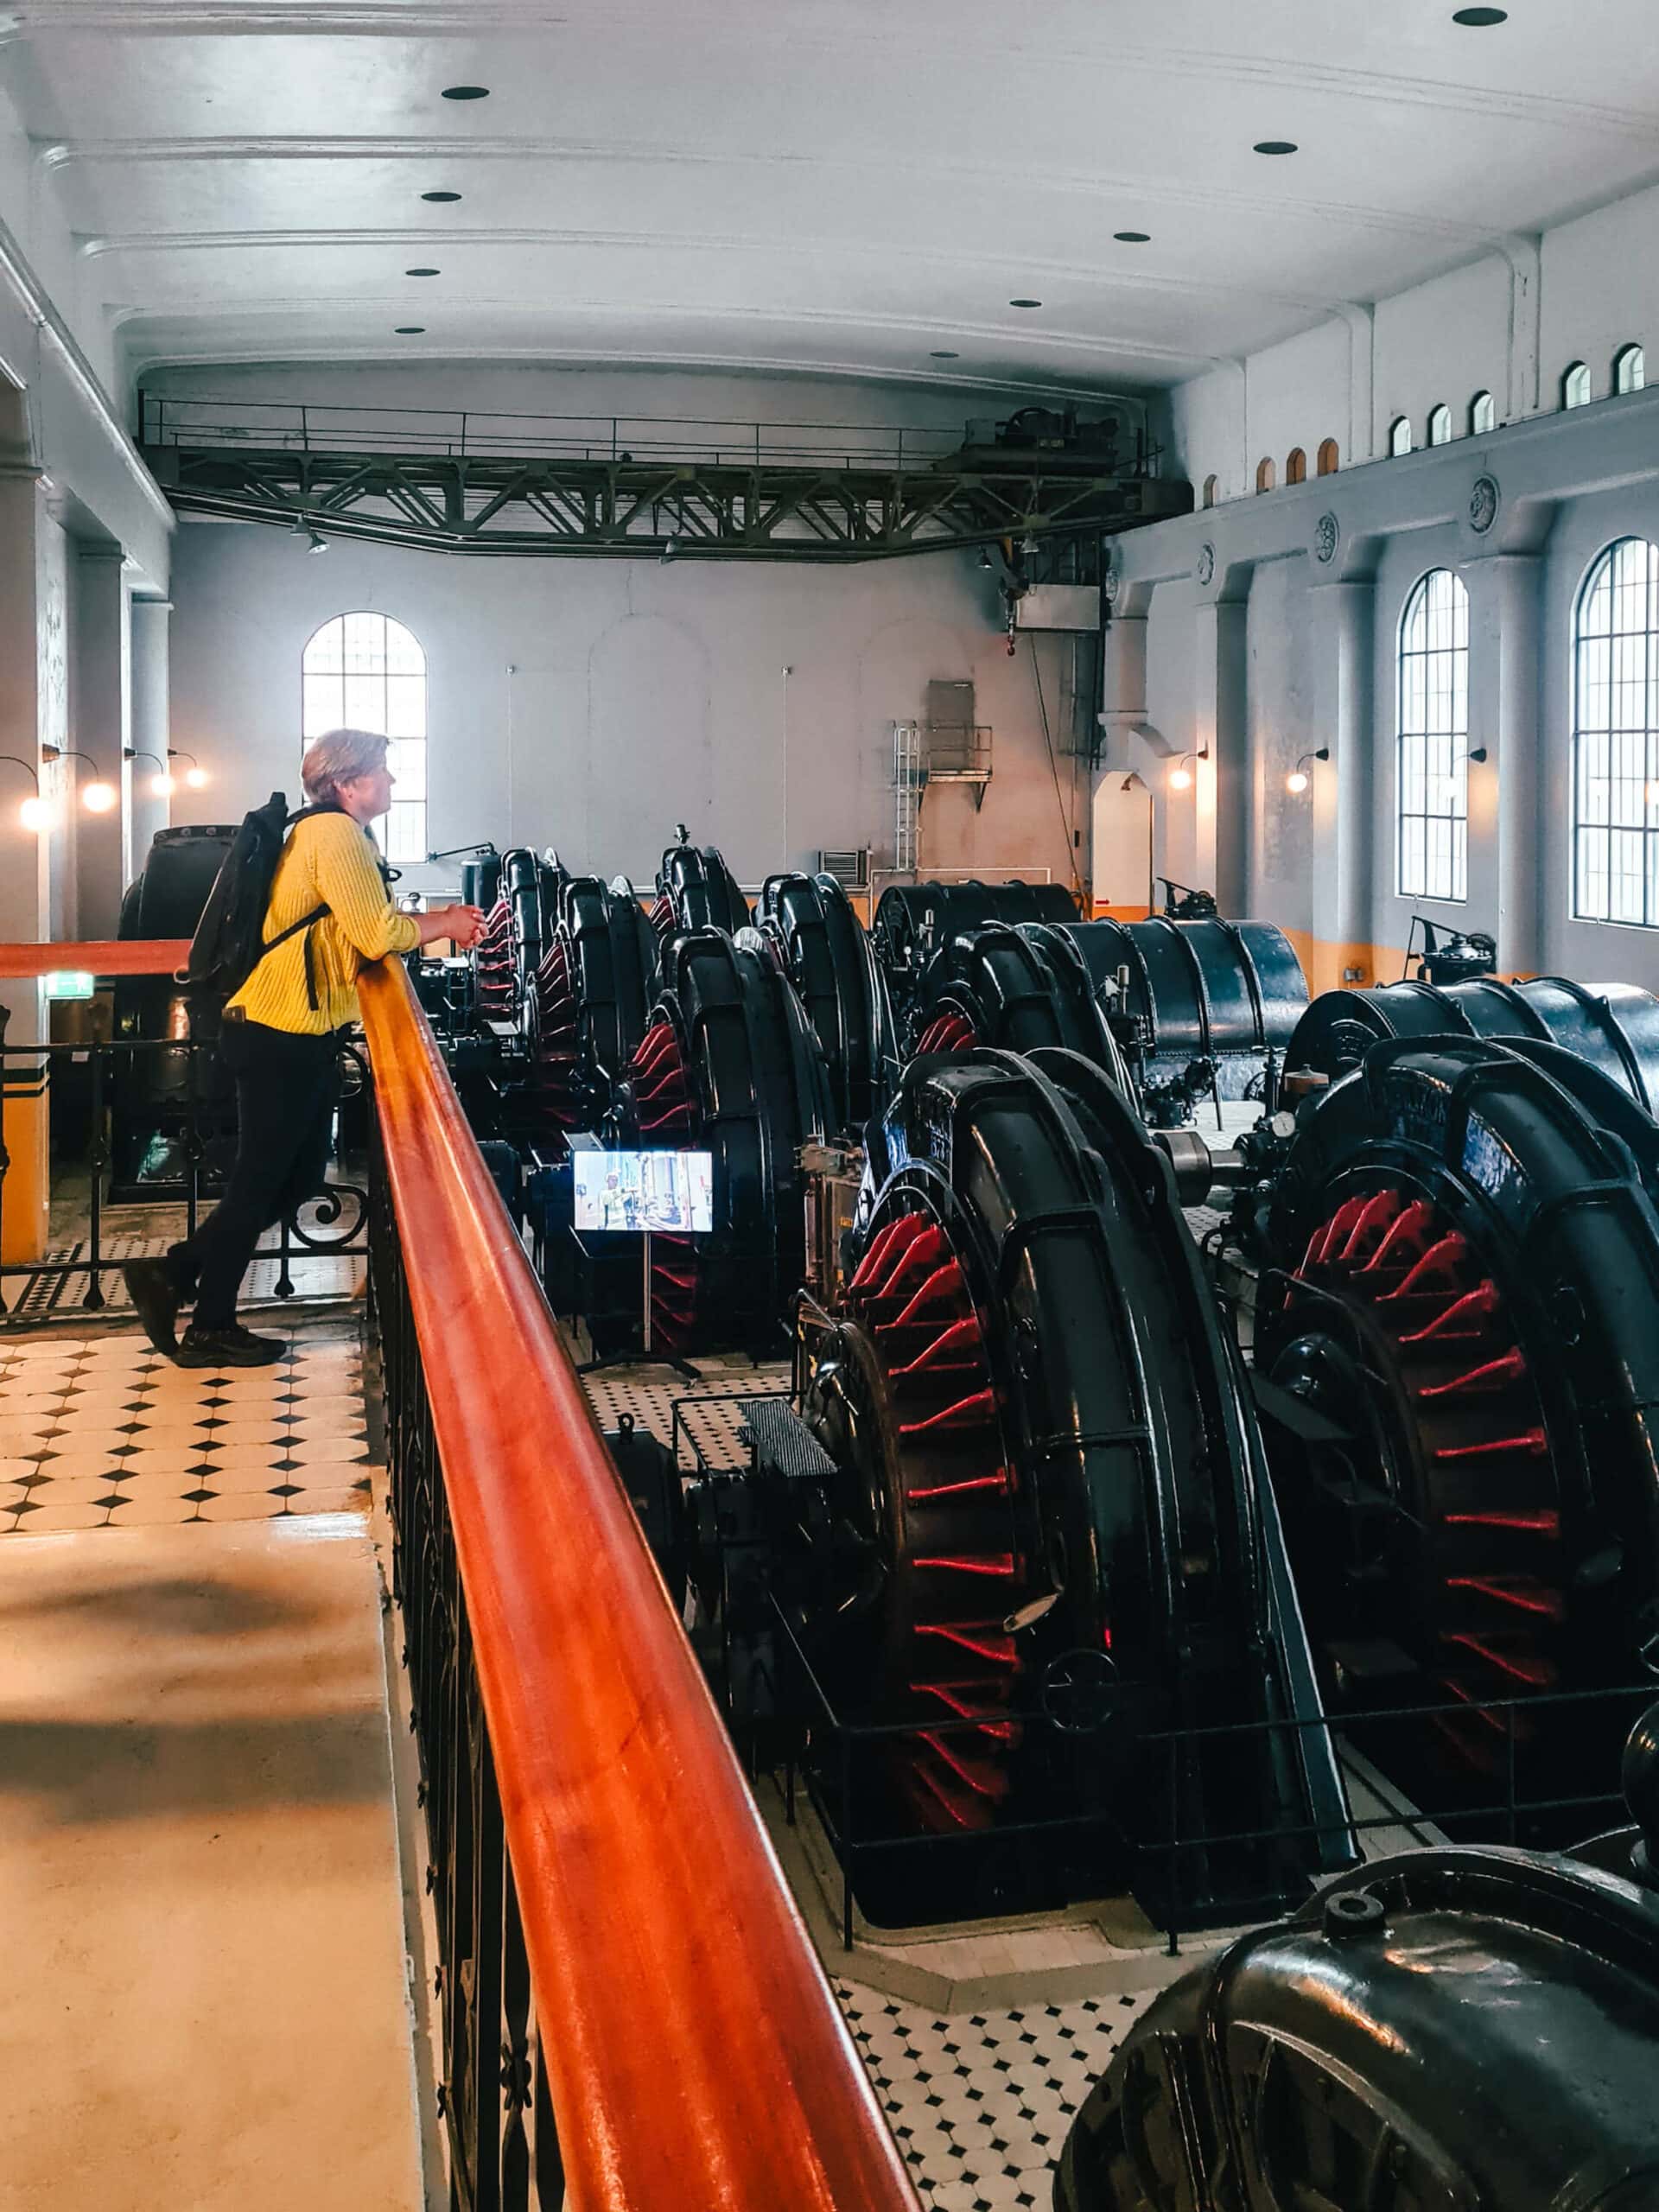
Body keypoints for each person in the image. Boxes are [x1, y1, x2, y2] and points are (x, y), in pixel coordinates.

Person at [124, 728, 485, 1367]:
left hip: (300, 1032)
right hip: (276, 1031)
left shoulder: (341, 834)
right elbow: (377, 932)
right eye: (383, 771)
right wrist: (447, 925)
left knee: (293, 1184)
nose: (392, 782)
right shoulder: (333, 835)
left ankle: (177, 1275)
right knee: (260, 1180)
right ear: (347, 783)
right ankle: (207, 1322)